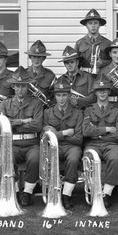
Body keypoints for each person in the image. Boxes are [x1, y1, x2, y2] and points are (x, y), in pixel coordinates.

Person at [0, 66, 43, 207]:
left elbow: (37, 125)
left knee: (35, 159)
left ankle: (28, 192)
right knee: (8, 159)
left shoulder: (36, 103)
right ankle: (16, 190)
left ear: (27, 86)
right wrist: (22, 121)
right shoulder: (5, 104)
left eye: (23, 86)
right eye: (17, 86)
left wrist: (13, 124)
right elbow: (1, 124)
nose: (20, 89)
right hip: (13, 144)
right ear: (13, 87)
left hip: (32, 143)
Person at [82, 75, 118, 208]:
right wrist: (106, 129)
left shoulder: (117, 111)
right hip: (92, 144)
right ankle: (93, 190)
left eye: (105, 90)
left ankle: (107, 193)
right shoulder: (88, 110)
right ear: (95, 92)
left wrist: (97, 133)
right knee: (89, 159)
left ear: (109, 92)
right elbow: (85, 131)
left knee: (115, 158)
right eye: (99, 90)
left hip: (111, 145)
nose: (102, 93)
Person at [42, 76, 84, 210]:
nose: (61, 98)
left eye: (64, 95)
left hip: (72, 147)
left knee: (73, 159)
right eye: (58, 95)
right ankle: (52, 190)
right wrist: (64, 133)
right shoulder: (48, 113)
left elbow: (79, 138)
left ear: (69, 95)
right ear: (55, 96)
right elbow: (45, 138)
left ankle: (67, 194)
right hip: (54, 146)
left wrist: (56, 135)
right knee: (49, 157)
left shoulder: (78, 113)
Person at [58, 45, 96, 110]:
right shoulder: (60, 80)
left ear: (77, 62)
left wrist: (78, 101)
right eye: (67, 63)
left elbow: (94, 96)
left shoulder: (88, 77)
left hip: (84, 112)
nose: (69, 65)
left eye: (72, 62)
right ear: (64, 64)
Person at [75, 9, 111, 75]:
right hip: (84, 75)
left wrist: (102, 63)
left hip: (101, 76)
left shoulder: (107, 43)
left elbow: (112, 62)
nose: (93, 26)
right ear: (86, 25)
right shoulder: (79, 43)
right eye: (90, 23)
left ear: (99, 24)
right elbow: (74, 62)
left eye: (95, 23)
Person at [25, 40, 56, 105]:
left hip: (43, 111)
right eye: (34, 57)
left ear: (44, 58)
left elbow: (54, 98)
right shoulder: (23, 74)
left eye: (39, 57)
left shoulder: (50, 76)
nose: (36, 60)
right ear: (30, 57)